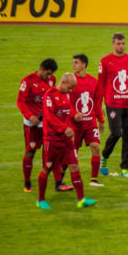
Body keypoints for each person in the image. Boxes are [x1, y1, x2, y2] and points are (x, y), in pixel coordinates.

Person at [37, 73, 97, 210]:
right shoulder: (49, 95)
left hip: (66, 140)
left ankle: (81, 199)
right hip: (52, 139)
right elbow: (50, 116)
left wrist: (75, 114)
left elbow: (68, 107)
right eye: (70, 88)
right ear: (63, 82)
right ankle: (41, 199)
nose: (71, 91)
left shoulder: (66, 94)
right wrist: (64, 128)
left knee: (75, 166)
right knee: (47, 168)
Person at [17, 59, 72, 193]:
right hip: (32, 123)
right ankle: (27, 182)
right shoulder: (27, 81)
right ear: (41, 68)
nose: (49, 77)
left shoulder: (52, 79)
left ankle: (59, 183)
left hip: (48, 123)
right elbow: (20, 101)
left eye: (50, 75)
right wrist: (30, 116)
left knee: (53, 153)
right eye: (47, 74)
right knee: (30, 151)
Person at [96, 33, 128, 178]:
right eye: (118, 44)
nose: (121, 46)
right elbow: (101, 84)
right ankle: (104, 157)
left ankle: (124, 169)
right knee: (116, 133)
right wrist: (99, 107)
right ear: (113, 44)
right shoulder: (105, 61)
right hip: (113, 104)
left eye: (123, 43)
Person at [71, 54, 105, 187]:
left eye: (76, 62)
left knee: (96, 147)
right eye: (73, 62)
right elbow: (65, 102)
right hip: (74, 125)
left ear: (84, 64)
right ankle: (61, 180)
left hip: (90, 122)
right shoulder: (70, 81)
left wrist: (101, 120)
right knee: (73, 153)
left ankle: (94, 179)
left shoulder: (93, 81)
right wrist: (73, 114)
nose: (74, 65)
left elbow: (97, 103)